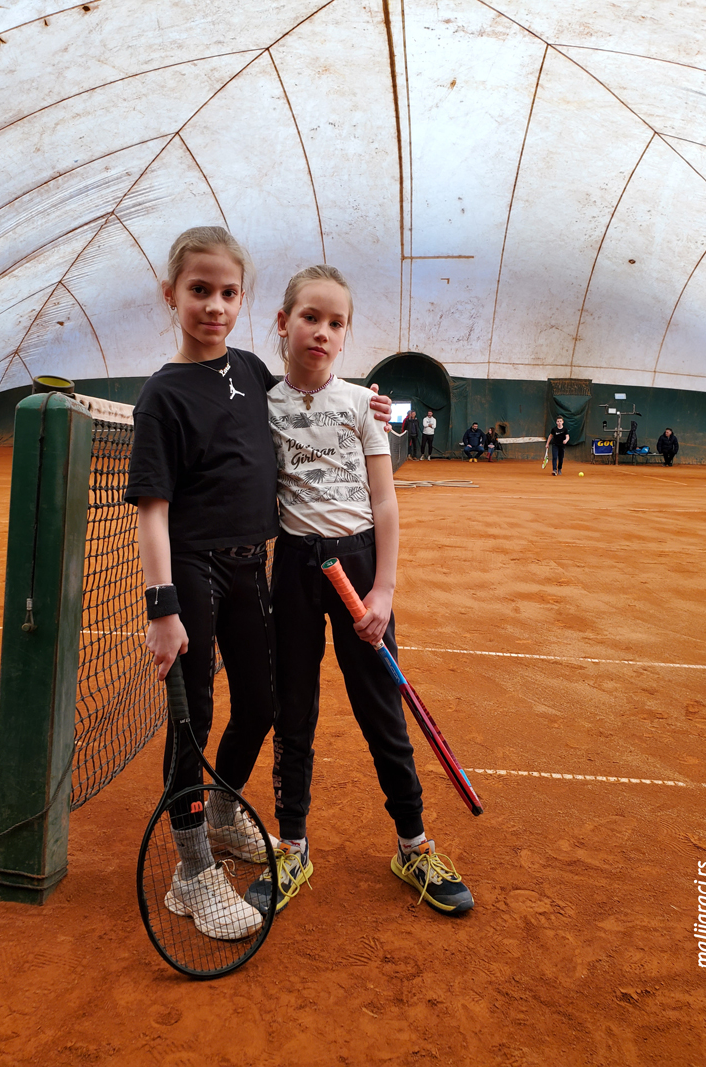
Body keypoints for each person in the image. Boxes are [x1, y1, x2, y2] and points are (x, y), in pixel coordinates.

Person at [125, 228, 391, 941]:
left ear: (245, 300)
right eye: (199, 291)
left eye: (228, 292)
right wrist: (163, 608)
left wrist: (372, 406)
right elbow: (152, 512)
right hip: (192, 568)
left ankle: (219, 814)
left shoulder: (248, 367)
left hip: (252, 566)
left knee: (264, 701)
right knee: (194, 719)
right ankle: (191, 872)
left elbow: (313, 392)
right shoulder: (161, 396)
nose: (215, 306)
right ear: (171, 294)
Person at [246, 265, 473, 919]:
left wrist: (383, 590)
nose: (322, 330)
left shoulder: (358, 405)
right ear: (283, 323)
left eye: (336, 322)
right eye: (309, 317)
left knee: (382, 711)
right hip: (292, 569)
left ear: (346, 335)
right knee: (294, 712)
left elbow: (385, 501)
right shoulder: (261, 406)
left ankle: (413, 843)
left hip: (359, 570)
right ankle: (291, 846)